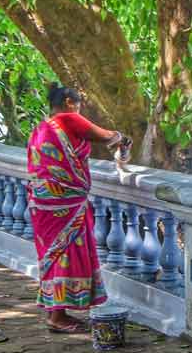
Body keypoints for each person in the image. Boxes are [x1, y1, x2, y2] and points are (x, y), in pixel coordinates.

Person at [26, 83, 132, 333]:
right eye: (79, 106)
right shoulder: (68, 119)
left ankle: (57, 312)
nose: (79, 111)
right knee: (66, 251)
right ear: (69, 103)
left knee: (53, 254)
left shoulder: (41, 128)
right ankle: (56, 316)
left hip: (42, 200)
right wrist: (122, 139)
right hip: (64, 201)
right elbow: (106, 136)